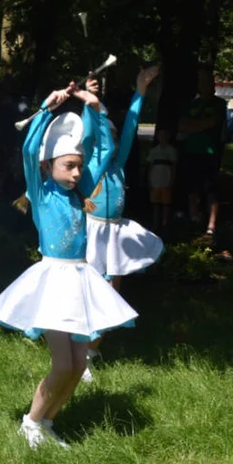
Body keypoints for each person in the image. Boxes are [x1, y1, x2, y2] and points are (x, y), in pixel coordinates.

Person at [0, 82, 137, 448]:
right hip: (53, 282)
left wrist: (96, 110)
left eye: (78, 167)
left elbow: (107, 149)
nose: (75, 173)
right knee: (64, 364)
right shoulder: (39, 191)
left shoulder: (81, 191)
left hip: (81, 279)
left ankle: (48, 422)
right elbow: (28, 148)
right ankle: (31, 422)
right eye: (68, 166)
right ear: (48, 166)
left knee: (80, 364)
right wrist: (46, 108)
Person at [79, 66, 163, 382]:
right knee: (91, 291)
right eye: (106, 137)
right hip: (92, 231)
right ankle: (81, 350)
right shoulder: (90, 164)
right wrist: (91, 100)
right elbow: (91, 130)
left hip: (114, 232)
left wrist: (140, 91)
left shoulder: (117, 164)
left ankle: (91, 347)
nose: (113, 140)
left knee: (113, 291)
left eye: (114, 136)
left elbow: (129, 126)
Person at [178, 68, 226, 235]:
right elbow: (182, 125)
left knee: (211, 188)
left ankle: (211, 226)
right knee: (192, 187)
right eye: (202, 82)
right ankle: (194, 219)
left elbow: (213, 122)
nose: (205, 85)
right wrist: (201, 125)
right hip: (192, 151)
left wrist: (195, 126)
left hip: (211, 152)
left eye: (208, 82)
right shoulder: (192, 104)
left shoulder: (219, 103)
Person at [147, 128, 178, 231]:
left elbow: (173, 167)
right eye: (160, 136)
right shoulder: (154, 151)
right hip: (155, 179)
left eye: (165, 136)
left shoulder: (171, 150)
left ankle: (165, 222)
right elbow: (150, 167)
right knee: (155, 202)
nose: (162, 138)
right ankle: (155, 222)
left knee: (166, 203)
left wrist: (172, 180)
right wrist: (149, 179)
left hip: (166, 178)